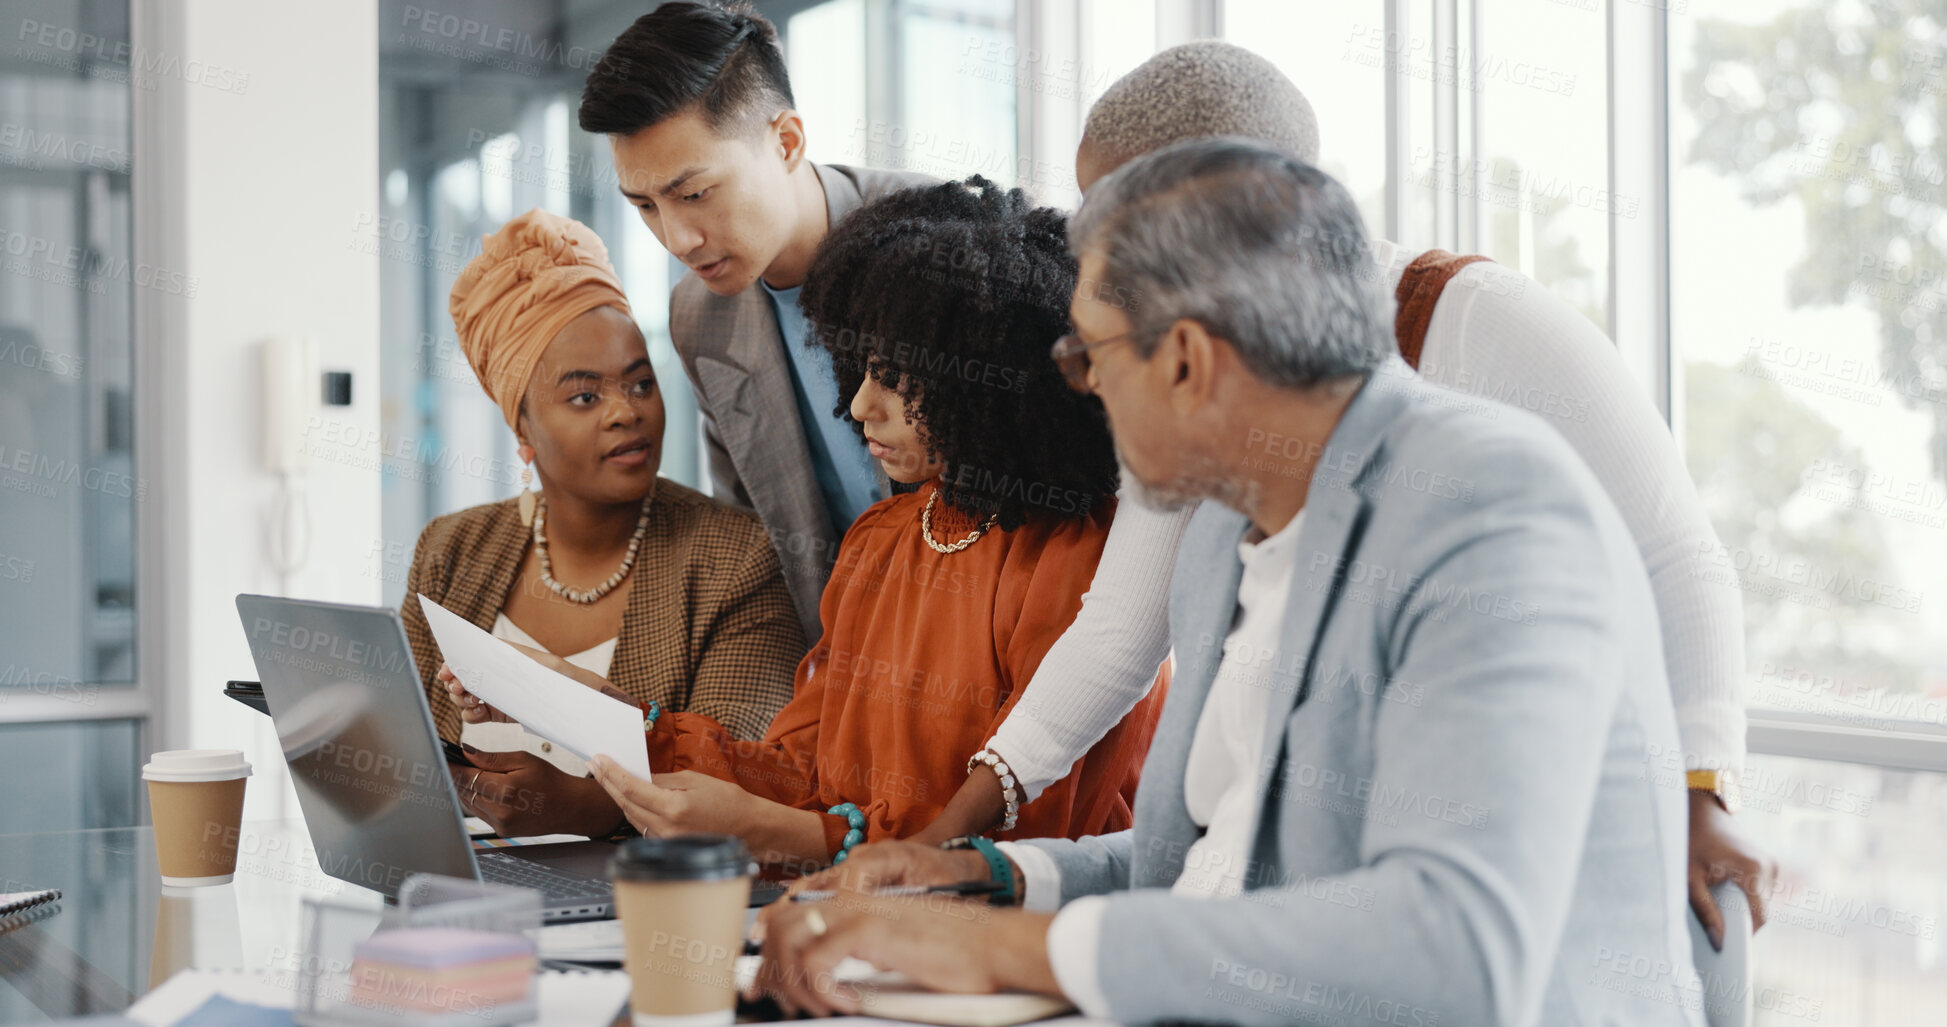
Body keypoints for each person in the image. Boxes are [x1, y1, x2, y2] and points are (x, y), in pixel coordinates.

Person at [755, 139, 1701, 1026]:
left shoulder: (1490, 507)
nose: (1080, 392)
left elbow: (1452, 942)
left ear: (1183, 361)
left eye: (1086, 356)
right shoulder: (1218, 537)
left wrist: (1015, 948)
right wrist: (987, 878)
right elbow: (1222, 865)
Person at [913, 40, 1773, 948]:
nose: (1101, 243)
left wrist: (1700, 790)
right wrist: (953, 833)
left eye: (1134, 214)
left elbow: (1678, 556)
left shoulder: (1484, 340)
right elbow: (1119, 630)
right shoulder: (1206, 450)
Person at [456, 179, 1166, 869]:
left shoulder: (1082, 556)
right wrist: (607, 712)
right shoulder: (880, 539)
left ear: (980, 376)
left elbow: (1007, 854)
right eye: (860, 367)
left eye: (896, 378)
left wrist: (794, 837)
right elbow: (799, 776)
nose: (860, 406)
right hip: (861, 929)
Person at [402, 208, 804, 838]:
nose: (626, 412)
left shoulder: (735, 557)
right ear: (523, 428)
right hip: (467, 894)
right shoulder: (451, 552)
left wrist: (594, 808)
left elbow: (752, 770)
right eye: (585, 396)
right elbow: (408, 757)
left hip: (650, 902)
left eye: (641, 384)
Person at [579, 1, 934, 641]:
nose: (678, 239)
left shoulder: (942, 247)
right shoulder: (699, 316)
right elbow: (759, 541)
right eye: (645, 206)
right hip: (843, 673)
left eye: (694, 194)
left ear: (786, 142)